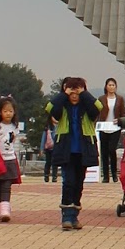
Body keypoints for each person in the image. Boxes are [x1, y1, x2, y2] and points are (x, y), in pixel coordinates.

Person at [44, 78, 102, 230]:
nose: (74, 94)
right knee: (68, 182)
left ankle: (74, 215)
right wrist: (64, 94)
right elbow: (49, 108)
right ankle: (67, 216)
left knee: (78, 184)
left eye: (78, 90)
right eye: (71, 90)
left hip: (83, 150)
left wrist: (85, 94)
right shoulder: (62, 106)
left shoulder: (87, 106)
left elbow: (99, 106)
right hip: (66, 149)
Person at [0, 95, 25, 222]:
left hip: (9, 159)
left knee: (6, 184)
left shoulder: (15, 126)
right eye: (5, 111)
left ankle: (5, 208)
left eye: (10, 111)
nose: (8, 114)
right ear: (0, 112)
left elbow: (13, 140)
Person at [97, 78, 125, 186]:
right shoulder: (101, 99)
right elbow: (97, 112)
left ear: (116, 87)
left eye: (113, 85)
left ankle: (114, 173)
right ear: (106, 87)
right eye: (109, 85)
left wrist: (122, 124)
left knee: (111, 149)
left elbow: (123, 113)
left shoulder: (120, 99)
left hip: (115, 128)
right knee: (104, 152)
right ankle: (105, 176)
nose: (111, 87)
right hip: (104, 127)